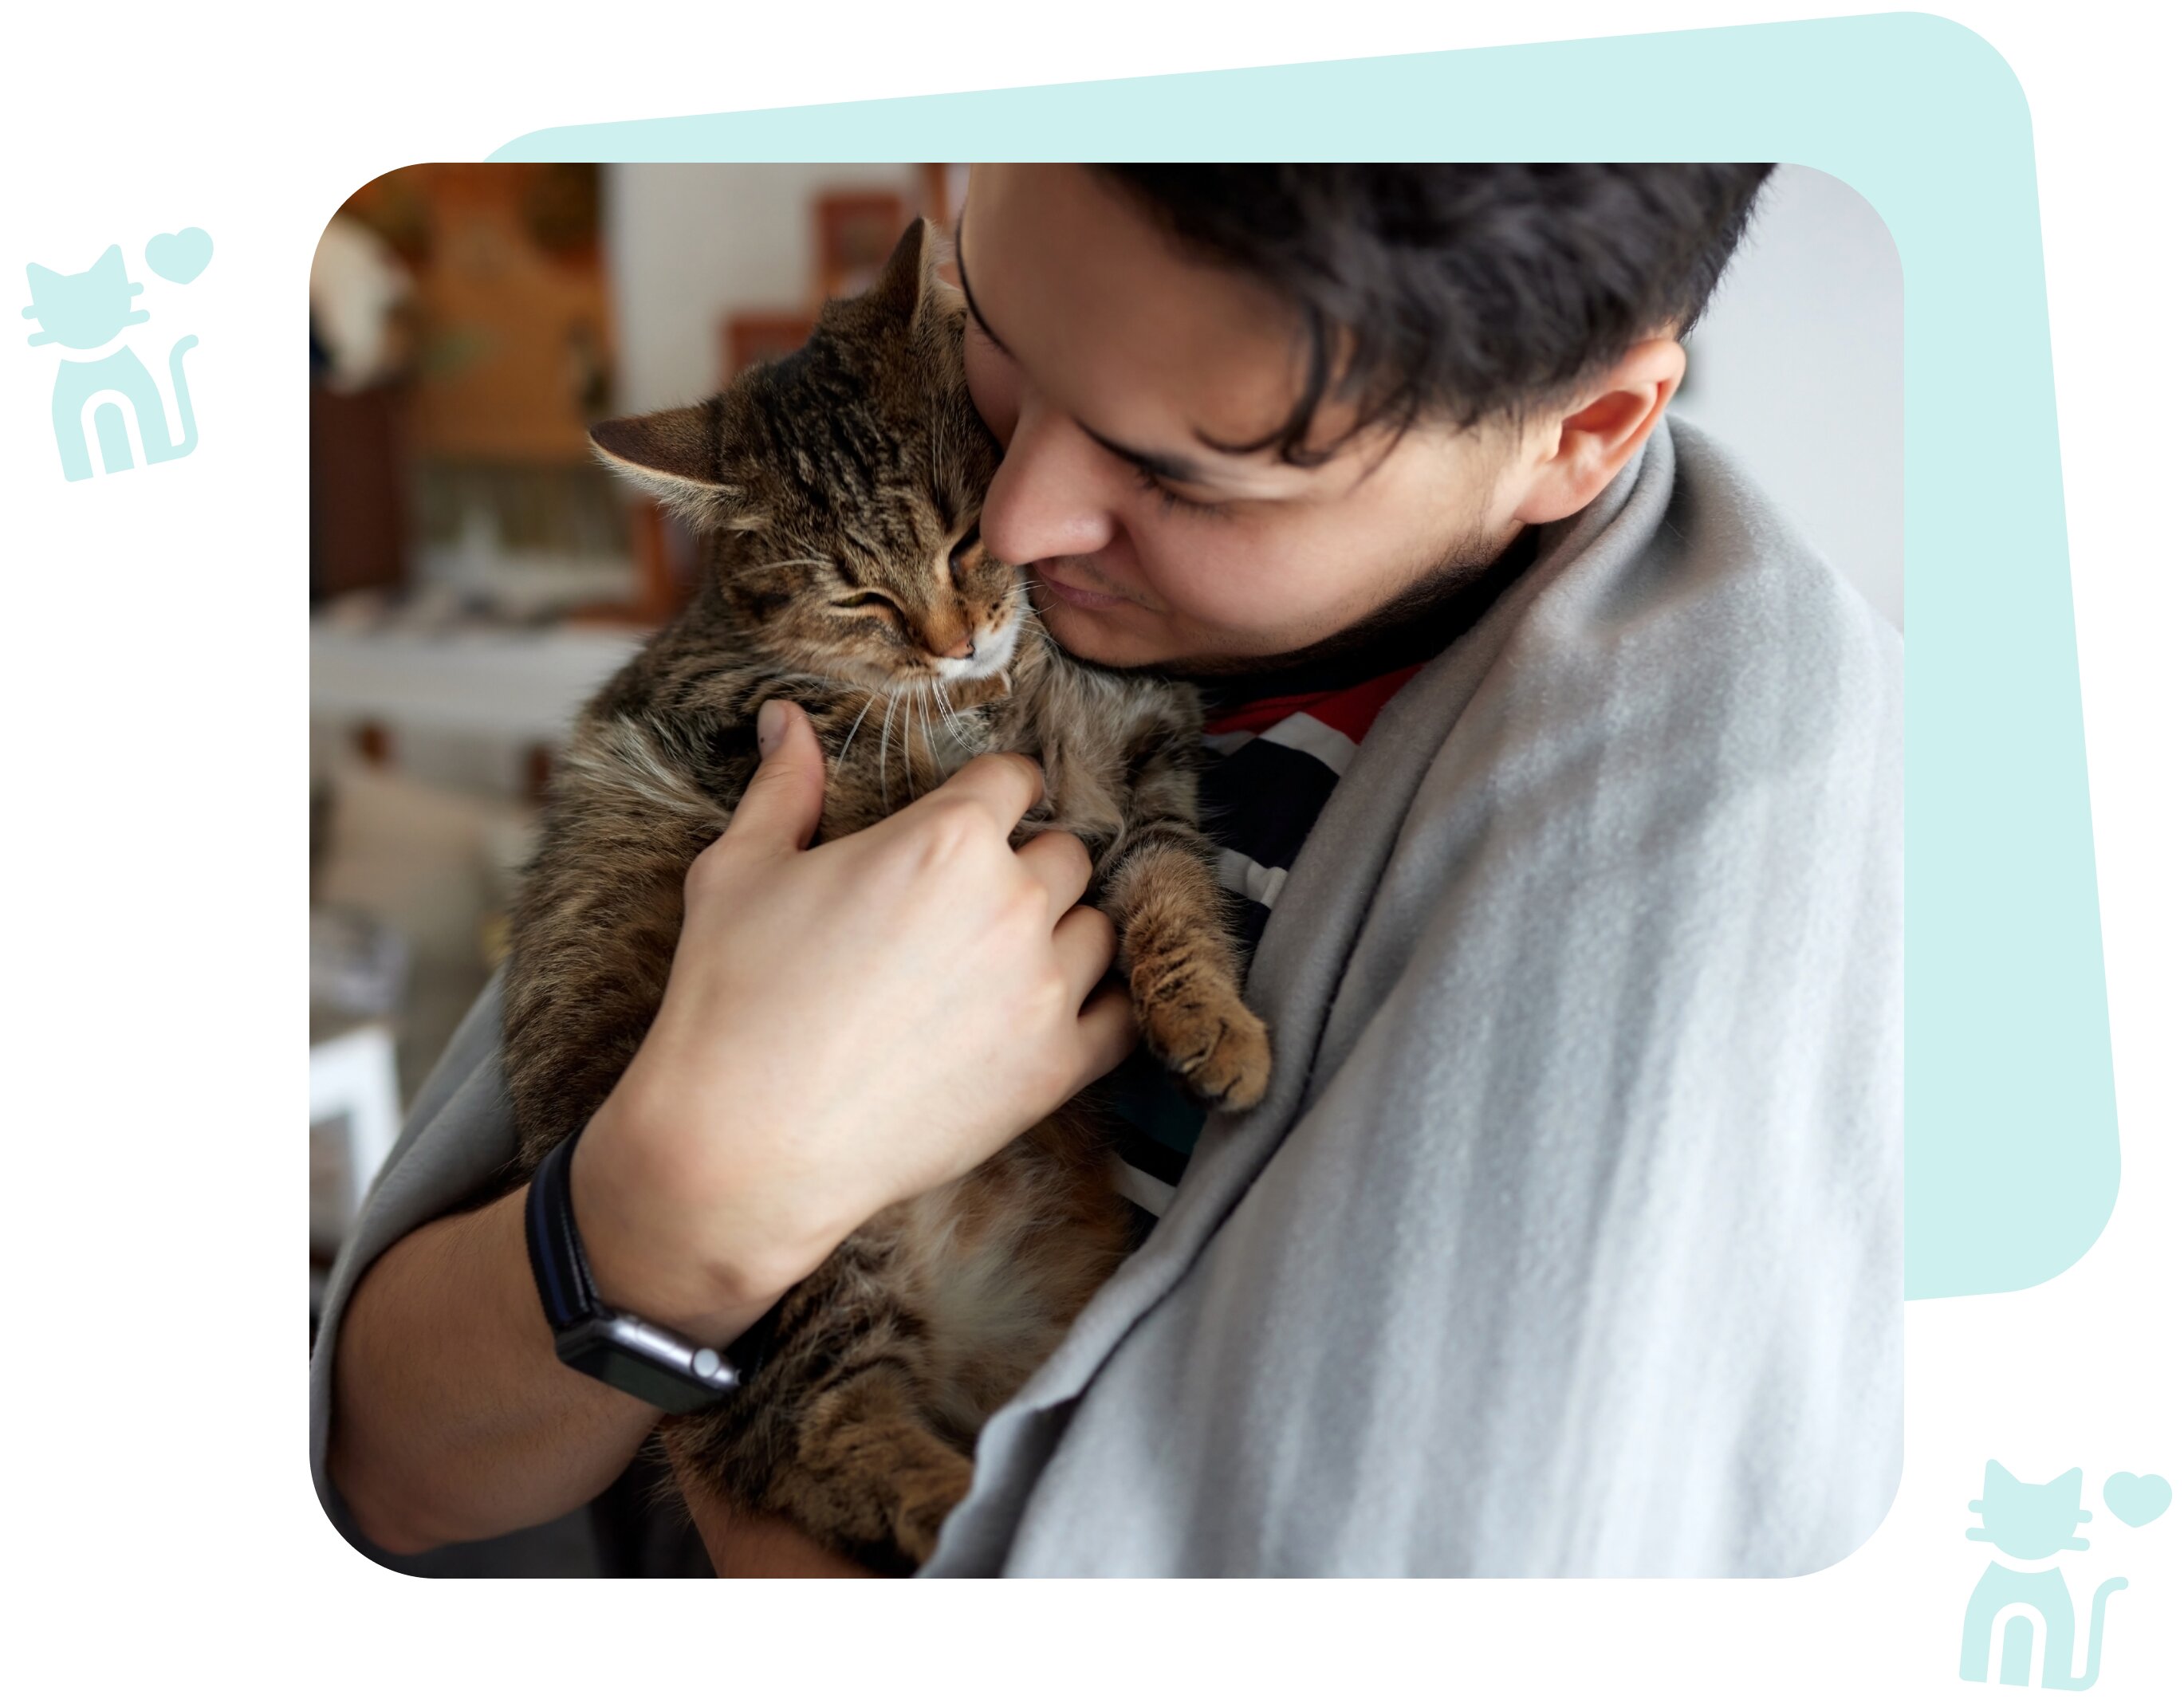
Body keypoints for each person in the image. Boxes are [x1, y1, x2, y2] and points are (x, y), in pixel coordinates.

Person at [313, 163, 1903, 1577]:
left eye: (1177, 472)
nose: (1013, 521)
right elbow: (385, 1467)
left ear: (1581, 430)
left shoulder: (1713, 793)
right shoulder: (847, 547)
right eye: (999, 343)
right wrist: (685, 1193)